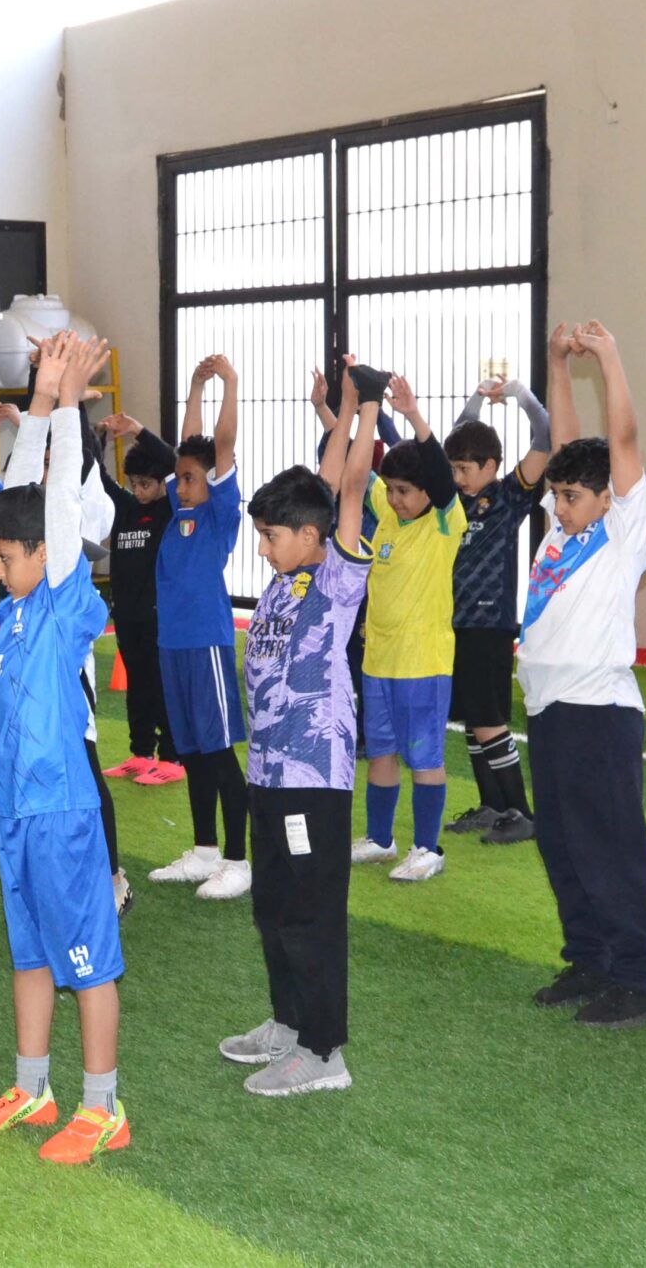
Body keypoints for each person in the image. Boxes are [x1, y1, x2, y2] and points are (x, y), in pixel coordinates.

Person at [0, 333, 130, 1164]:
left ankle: (103, 1107)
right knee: (30, 953)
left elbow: (55, 503)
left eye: (8, 557)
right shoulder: (13, 608)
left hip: (61, 812)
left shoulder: (61, 601)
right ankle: (32, 1089)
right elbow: (23, 495)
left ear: (47, 558)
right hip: (17, 815)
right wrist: (39, 395)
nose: (0, 565)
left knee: (87, 963)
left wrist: (59, 404)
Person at [222, 360, 382, 1097]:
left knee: (312, 914)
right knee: (273, 907)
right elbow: (323, 480)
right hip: (268, 771)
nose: (262, 547)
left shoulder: (338, 577)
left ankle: (323, 1052)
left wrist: (366, 407)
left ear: (311, 536)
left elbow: (346, 489)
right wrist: (336, 411)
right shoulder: (287, 577)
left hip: (313, 777)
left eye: (270, 535)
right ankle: (288, 1023)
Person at [521, 321, 646, 1029]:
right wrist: (556, 362)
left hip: (599, 711)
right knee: (562, 844)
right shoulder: (564, 528)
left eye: (573, 496)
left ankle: (637, 980)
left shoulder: (623, 531)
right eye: (557, 495)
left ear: (609, 497)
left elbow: (623, 441)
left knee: (610, 848)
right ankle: (589, 958)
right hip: (550, 709)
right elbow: (567, 440)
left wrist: (608, 357)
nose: (559, 505)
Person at [354, 374, 467, 881]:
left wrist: (414, 416)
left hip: (422, 664)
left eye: (404, 491)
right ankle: (381, 839)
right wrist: (359, 404)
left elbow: (439, 474)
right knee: (380, 753)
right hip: (378, 661)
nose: (395, 498)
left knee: (424, 758)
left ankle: (427, 848)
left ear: (428, 492)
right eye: (392, 490)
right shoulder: (388, 513)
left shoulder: (444, 520)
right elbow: (360, 463)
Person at [148, 354, 251, 901]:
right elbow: (187, 443)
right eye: (181, 478)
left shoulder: (218, 514)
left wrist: (228, 383)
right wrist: (192, 387)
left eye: (191, 478)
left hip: (207, 644)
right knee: (190, 752)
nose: (181, 484)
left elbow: (220, 442)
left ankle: (237, 859)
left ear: (213, 480)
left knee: (217, 752)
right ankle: (205, 851)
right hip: (172, 646)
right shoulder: (181, 510)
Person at [442, 367, 553, 845]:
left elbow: (544, 435)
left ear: (490, 465)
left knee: (489, 720)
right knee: (473, 719)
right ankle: (492, 806)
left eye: (465, 469)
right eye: (453, 469)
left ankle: (521, 813)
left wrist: (518, 393)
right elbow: (457, 434)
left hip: (490, 625)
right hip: (457, 625)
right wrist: (476, 397)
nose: (458, 478)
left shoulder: (509, 495)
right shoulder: (455, 500)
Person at [95, 412, 183, 786]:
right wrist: (97, 436)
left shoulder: (171, 510)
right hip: (128, 615)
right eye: (134, 483)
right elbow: (96, 474)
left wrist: (138, 430)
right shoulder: (127, 506)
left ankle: (173, 757)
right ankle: (141, 753)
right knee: (137, 686)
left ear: (163, 483)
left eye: (146, 484)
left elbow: (172, 462)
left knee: (162, 686)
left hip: (159, 617)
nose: (139, 490)